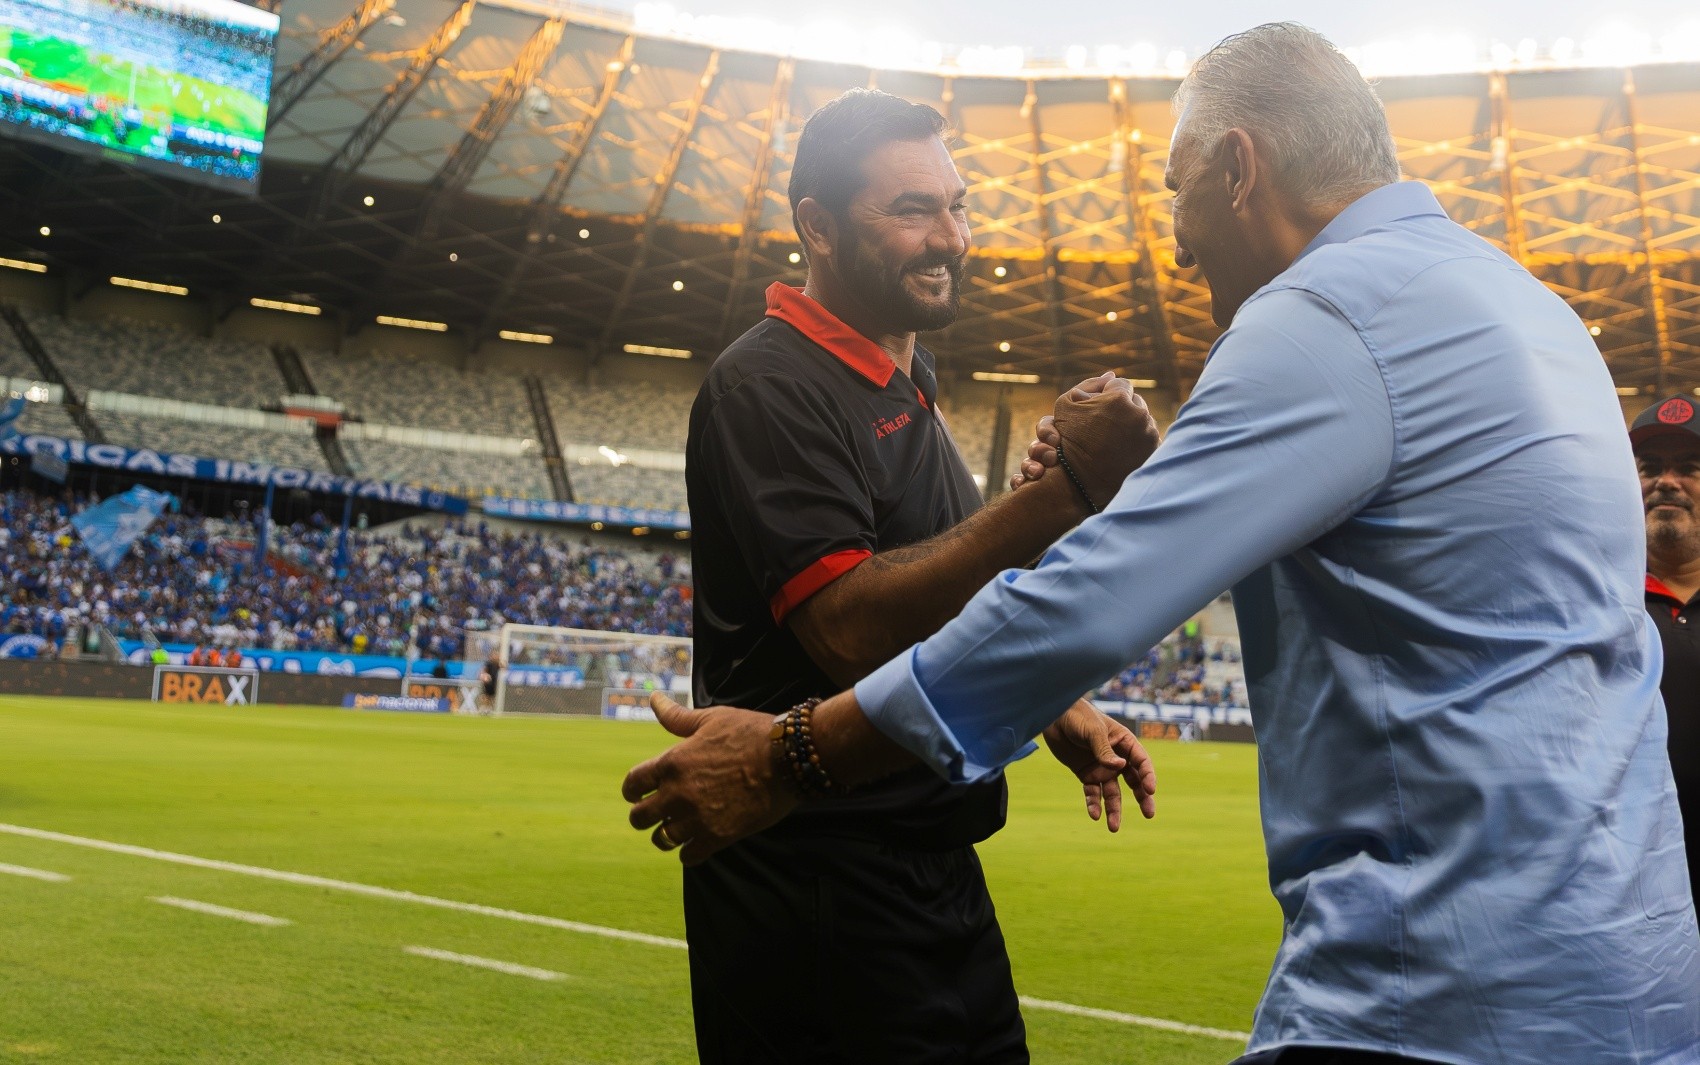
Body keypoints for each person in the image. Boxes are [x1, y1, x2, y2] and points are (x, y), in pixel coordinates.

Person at [624, 24, 1699, 1064]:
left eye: (1176, 188)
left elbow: (1088, 599)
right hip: (1631, 967)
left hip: (1438, 988)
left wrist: (788, 754)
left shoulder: (1323, 320)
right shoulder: (1533, 311)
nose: (1172, 243)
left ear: (1238, 168)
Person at [668, 87, 1161, 1065]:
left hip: (928, 867)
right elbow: (847, 626)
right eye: (909, 211)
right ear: (814, 225)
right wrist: (1060, 493)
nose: (950, 236)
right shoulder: (768, 384)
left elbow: (942, 585)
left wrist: (1056, 710)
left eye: (957, 203)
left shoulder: (909, 374)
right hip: (813, 880)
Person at [1631, 395, 1700, 898]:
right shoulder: (1599, 599)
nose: (1668, 482)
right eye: (1651, 468)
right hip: (1637, 880)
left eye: (1691, 469)